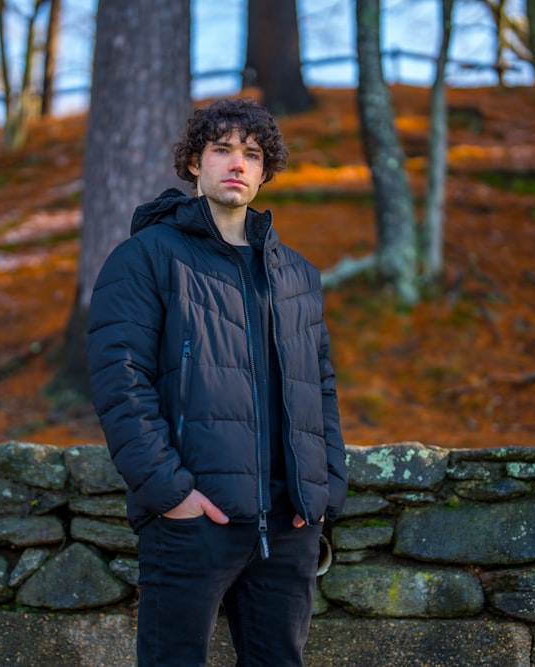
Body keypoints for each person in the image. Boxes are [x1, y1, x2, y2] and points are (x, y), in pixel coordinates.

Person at [87, 97, 348, 667]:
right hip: (194, 522)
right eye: (222, 150)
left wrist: (323, 491)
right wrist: (172, 495)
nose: (237, 164)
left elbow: (320, 388)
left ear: (265, 171)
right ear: (193, 165)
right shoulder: (146, 258)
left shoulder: (297, 274)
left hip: (289, 526)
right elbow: (120, 382)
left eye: (251, 155)